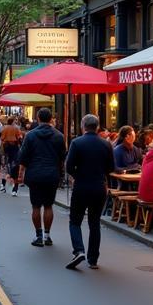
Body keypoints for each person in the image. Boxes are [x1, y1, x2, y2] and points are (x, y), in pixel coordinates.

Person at [65, 115, 113, 270]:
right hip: (99, 187)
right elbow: (111, 168)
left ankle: (78, 250)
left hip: (82, 186)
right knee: (94, 223)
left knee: (75, 221)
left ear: (82, 126)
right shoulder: (106, 144)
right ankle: (93, 259)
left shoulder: (77, 143)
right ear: (97, 127)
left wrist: (78, 176)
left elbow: (69, 166)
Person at [15, 108, 66, 247]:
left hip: (35, 174)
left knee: (36, 206)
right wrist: (61, 173)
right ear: (51, 119)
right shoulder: (59, 136)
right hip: (51, 174)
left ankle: (38, 236)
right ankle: (47, 235)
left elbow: (23, 158)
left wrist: (20, 175)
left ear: (38, 118)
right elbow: (62, 157)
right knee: (48, 206)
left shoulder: (30, 135)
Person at [0, 117, 23, 195]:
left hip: (5, 147)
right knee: (15, 166)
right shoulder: (16, 128)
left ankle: (3, 184)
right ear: (12, 121)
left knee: (5, 166)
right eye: (14, 121)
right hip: (14, 148)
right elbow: (20, 137)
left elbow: (1, 138)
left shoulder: (4, 128)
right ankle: (14, 189)